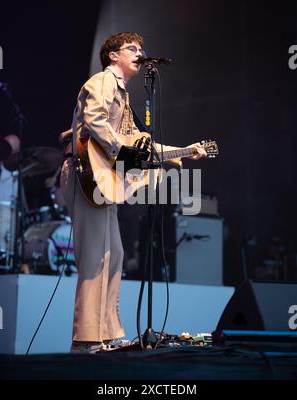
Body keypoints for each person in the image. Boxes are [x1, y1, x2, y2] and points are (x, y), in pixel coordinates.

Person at [60, 32, 207, 354]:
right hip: (87, 175)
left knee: (114, 255)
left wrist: (185, 150)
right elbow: (95, 120)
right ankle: (85, 339)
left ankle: (106, 335)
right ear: (113, 55)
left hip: (103, 182)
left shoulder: (125, 97)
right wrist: (120, 155)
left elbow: (140, 144)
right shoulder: (102, 81)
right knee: (95, 258)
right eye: (132, 49)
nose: (139, 54)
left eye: (141, 49)